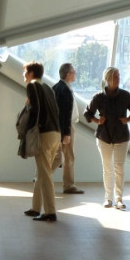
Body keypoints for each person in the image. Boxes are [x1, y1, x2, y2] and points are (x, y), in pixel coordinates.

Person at [84, 67, 130, 210]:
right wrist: (97, 121)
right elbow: (87, 113)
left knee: (119, 168)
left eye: (118, 76)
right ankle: (108, 198)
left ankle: (119, 199)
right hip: (104, 136)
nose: (118, 79)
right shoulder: (98, 97)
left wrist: (128, 119)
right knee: (107, 168)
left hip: (122, 136)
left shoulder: (125, 95)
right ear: (107, 79)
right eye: (115, 76)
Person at [22, 61, 62, 221]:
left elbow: (36, 110)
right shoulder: (48, 88)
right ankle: (35, 207)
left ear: (31, 73)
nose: (24, 74)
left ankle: (50, 212)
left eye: (25, 71)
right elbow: (56, 111)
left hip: (44, 133)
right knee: (41, 172)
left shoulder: (32, 85)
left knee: (44, 174)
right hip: (55, 133)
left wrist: (30, 128)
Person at [52, 62, 85, 194]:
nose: (75, 74)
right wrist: (66, 133)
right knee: (68, 156)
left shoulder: (57, 87)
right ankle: (69, 185)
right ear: (68, 74)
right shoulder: (65, 89)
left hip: (60, 127)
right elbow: (64, 113)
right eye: (74, 72)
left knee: (58, 156)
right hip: (66, 126)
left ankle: (41, 176)